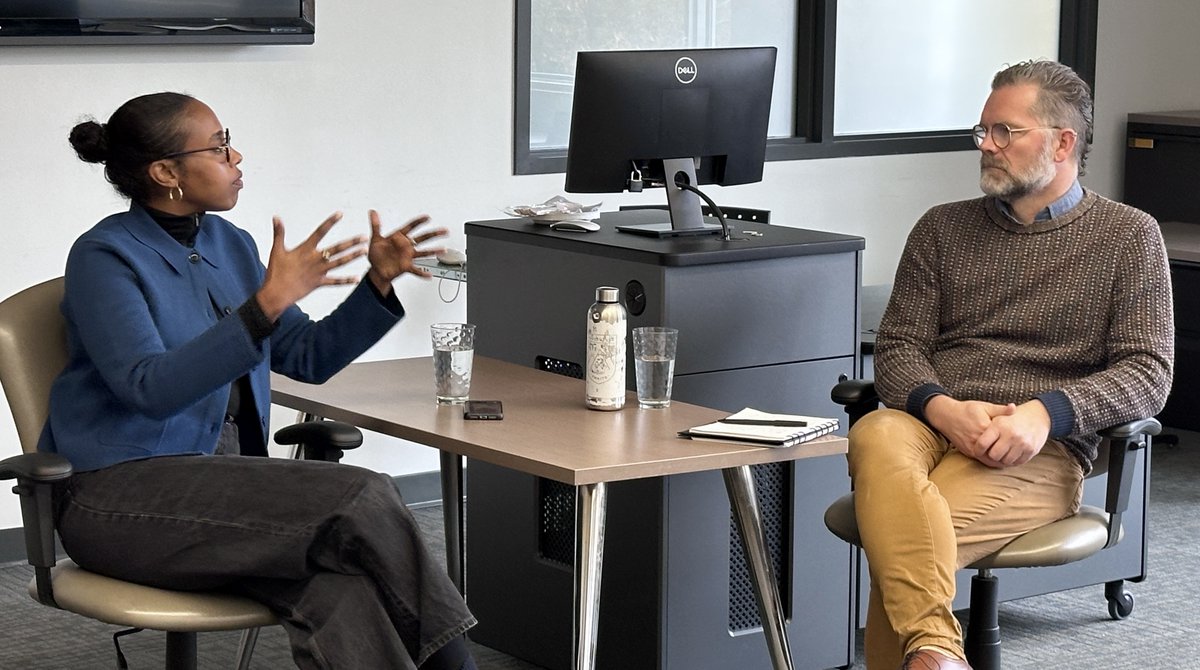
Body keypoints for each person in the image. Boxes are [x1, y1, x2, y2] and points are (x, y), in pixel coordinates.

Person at [40, 92, 478, 670]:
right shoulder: (104, 256)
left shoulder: (232, 244)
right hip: (116, 500)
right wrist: (265, 304)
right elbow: (147, 389)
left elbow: (308, 355)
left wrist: (375, 285)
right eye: (220, 147)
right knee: (366, 493)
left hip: (226, 492)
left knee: (341, 592)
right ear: (166, 171)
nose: (236, 156)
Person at [849, 60, 1174, 670]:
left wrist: (1045, 415)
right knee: (875, 430)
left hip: (1038, 452)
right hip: (930, 423)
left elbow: (1148, 371)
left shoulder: (1129, 237)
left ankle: (933, 654)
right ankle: (939, 653)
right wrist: (941, 408)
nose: (986, 147)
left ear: (1062, 142)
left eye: (1005, 132)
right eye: (982, 132)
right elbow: (897, 348)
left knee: (912, 537)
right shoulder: (941, 229)